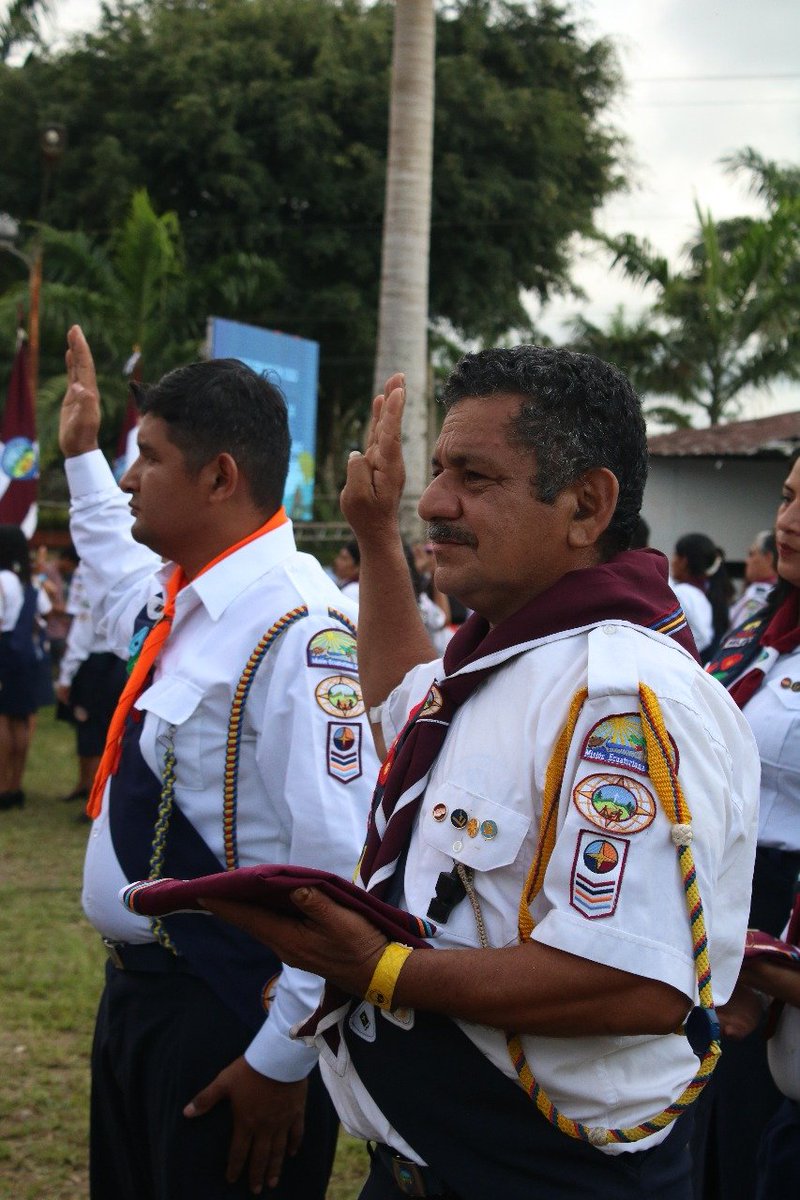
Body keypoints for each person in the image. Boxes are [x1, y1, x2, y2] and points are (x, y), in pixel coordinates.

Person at [200, 347, 761, 1200]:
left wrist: (382, 970)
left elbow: (636, 981)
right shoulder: (508, 656)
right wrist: (374, 533)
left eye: (475, 475)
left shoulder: (622, 695)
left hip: (540, 1176)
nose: (433, 500)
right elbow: (400, 705)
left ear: (586, 505)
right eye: (436, 470)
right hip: (426, 1161)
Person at [58, 325, 378, 1200]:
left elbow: (336, 861)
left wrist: (282, 1055)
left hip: (230, 1009)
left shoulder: (302, 628)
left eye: (149, 458)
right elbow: (112, 565)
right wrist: (80, 455)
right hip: (144, 998)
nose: (130, 478)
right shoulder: (188, 599)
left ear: (220, 477)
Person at [696, 451, 800, 1200]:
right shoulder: (764, 628)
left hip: (783, 916)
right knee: (711, 1133)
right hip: (720, 892)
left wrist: (760, 959)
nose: (789, 521)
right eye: (787, 497)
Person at [54, 560, 128, 811]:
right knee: (99, 729)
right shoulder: (123, 571)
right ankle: (86, 785)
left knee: (91, 728)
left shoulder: (90, 571)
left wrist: (66, 675)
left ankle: (94, 796)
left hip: (93, 662)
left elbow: (83, 627)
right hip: (116, 660)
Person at [0, 524, 52, 809]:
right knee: (20, 719)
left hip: (5, 651)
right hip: (26, 656)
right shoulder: (28, 582)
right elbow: (45, 611)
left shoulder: (1, 579)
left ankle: (1, 786)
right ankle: (15, 785)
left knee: (3, 719)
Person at [669, 533, 729, 661]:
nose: (671, 561)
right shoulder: (703, 593)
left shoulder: (682, 593)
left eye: (675, 555)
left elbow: (702, 637)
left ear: (683, 561)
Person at [726, 530, 777, 632]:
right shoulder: (772, 591)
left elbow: (742, 635)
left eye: (751, 554)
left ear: (768, 558)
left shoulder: (760, 596)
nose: (747, 560)